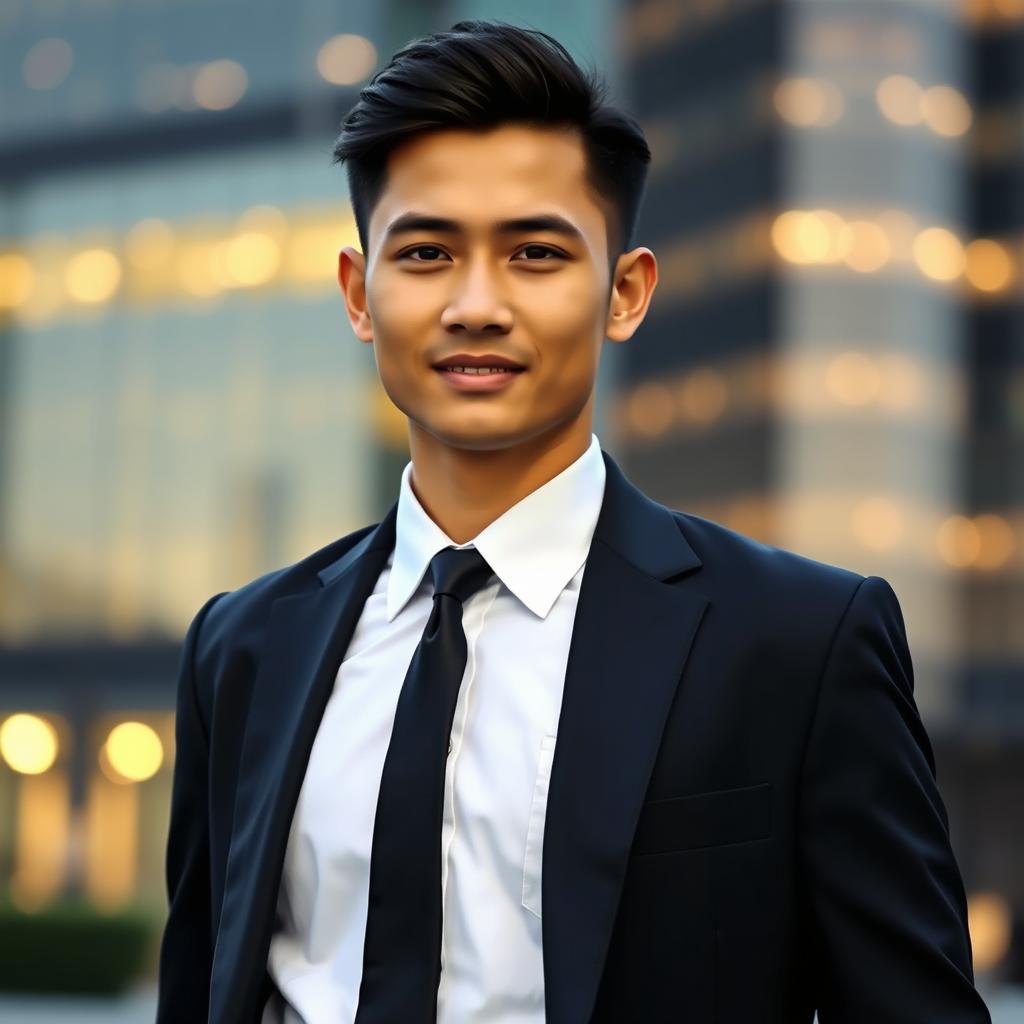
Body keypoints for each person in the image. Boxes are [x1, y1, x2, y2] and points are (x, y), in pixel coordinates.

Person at [156, 19, 991, 1024]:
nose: (475, 304)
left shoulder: (797, 641)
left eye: (535, 254)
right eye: (424, 252)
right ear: (358, 292)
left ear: (625, 291)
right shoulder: (245, 646)